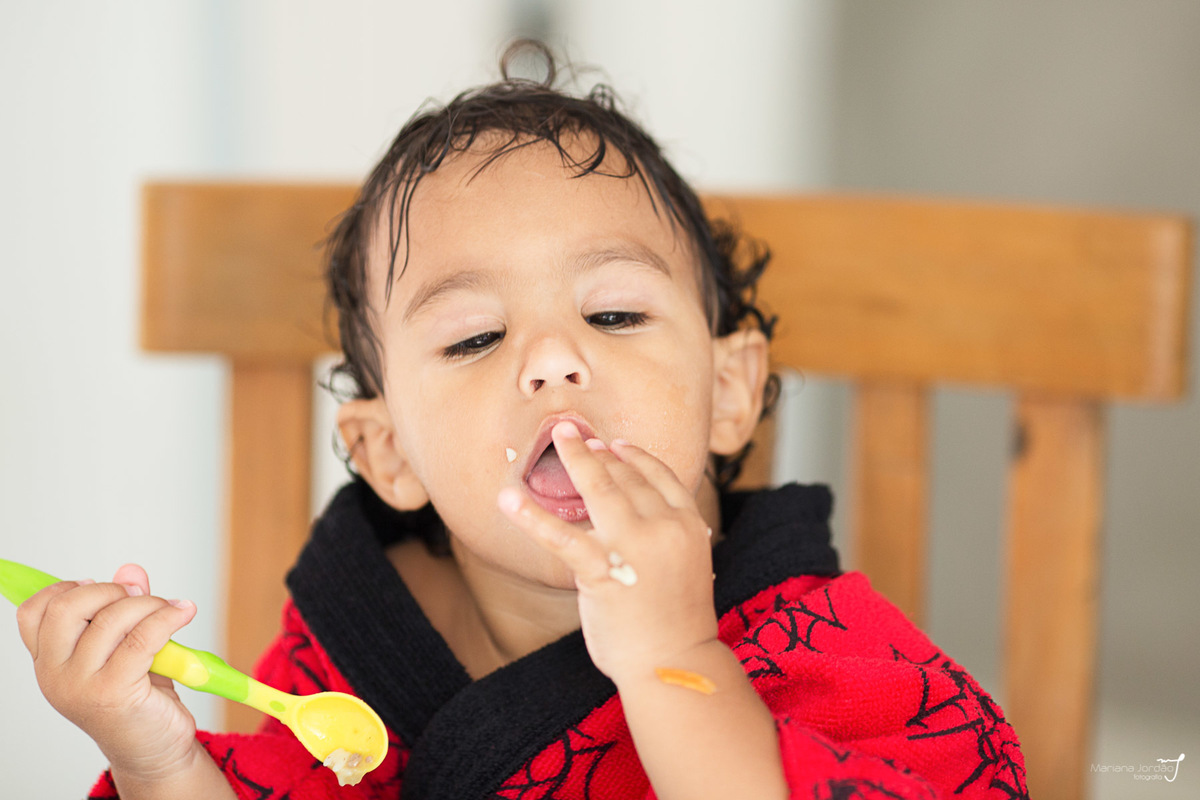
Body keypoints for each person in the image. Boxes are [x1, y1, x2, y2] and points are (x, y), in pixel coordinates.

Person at [16, 42, 1028, 799]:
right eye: (475, 337)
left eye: (613, 315)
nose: (550, 359)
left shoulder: (822, 643)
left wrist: (677, 658)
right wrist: (157, 759)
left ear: (730, 390)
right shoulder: (361, 639)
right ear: (388, 452)